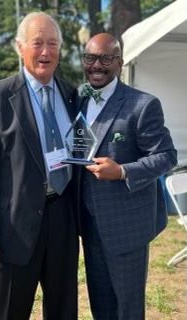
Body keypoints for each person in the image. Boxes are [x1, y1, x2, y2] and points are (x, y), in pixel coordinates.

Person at [0, 12, 79, 320]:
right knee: (9, 312)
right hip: (13, 228)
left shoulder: (72, 95)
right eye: (37, 43)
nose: (46, 52)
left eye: (52, 43)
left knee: (63, 309)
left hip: (63, 219)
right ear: (19, 47)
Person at [76, 33, 178, 320]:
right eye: (90, 58)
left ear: (119, 63)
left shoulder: (142, 105)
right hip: (88, 223)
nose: (97, 65)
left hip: (126, 226)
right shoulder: (77, 101)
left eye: (106, 58)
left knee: (128, 308)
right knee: (101, 303)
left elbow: (167, 156)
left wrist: (121, 171)